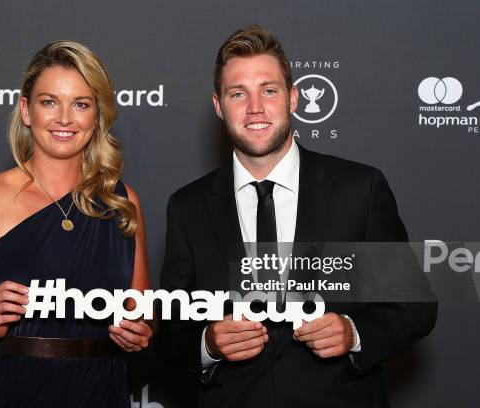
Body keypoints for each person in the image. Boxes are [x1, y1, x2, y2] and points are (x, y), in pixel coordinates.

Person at [159, 25, 437, 407]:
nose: (255, 107)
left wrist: (353, 333)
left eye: (269, 90)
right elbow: (171, 329)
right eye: (238, 93)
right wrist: (206, 343)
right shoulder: (188, 206)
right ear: (218, 106)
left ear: (292, 98)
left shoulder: (359, 189)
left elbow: (414, 307)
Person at [0, 40, 152, 407]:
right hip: (9, 391)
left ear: (97, 115)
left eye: (81, 104)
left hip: (102, 391)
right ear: (26, 110)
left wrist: (141, 330)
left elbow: (141, 308)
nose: (64, 119)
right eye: (49, 102)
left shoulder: (122, 201)